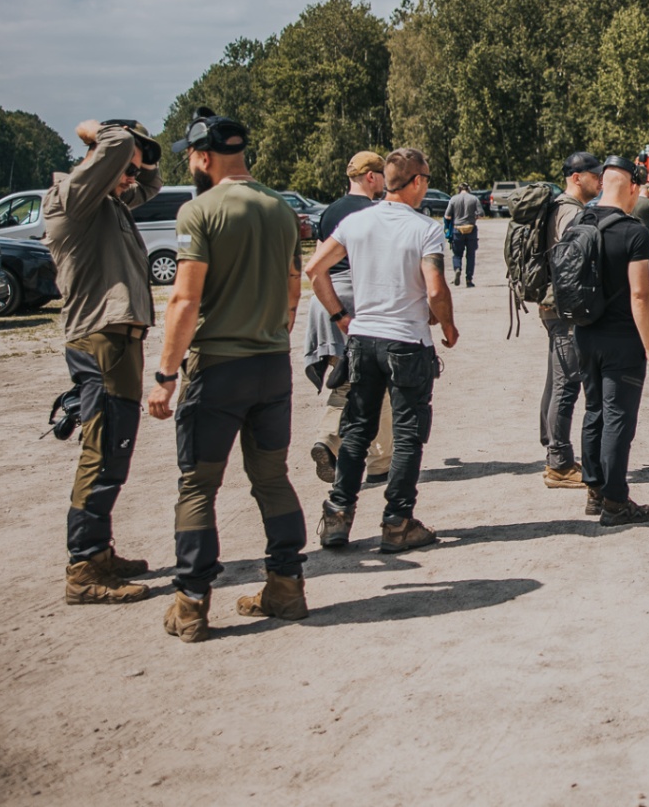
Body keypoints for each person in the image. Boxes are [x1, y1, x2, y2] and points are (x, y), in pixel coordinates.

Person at [144, 110, 307, 642]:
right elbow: (291, 288)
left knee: (198, 485)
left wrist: (166, 374)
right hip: (270, 367)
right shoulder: (280, 208)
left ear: (202, 156)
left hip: (218, 371)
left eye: (189, 155)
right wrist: (272, 330)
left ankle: (191, 603)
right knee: (272, 478)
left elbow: (185, 300)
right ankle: (286, 586)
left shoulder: (199, 210)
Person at [309, 147, 458, 552]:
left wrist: (341, 315)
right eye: (425, 177)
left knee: (357, 428)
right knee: (409, 434)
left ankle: (337, 516)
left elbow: (314, 269)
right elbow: (435, 288)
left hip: (363, 340)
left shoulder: (357, 222)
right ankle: (397, 522)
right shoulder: (423, 228)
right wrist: (446, 323)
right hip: (407, 341)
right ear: (416, 182)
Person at [44, 117, 163, 605]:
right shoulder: (77, 196)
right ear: (99, 157)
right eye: (125, 168)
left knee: (115, 448)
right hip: (101, 339)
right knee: (103, 450)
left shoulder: (108, 200)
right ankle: (84, 566)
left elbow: (150, 183)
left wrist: (144, 159)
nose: (131, 178)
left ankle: (98, 550)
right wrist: (98, 131)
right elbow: (111, 147)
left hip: (114, 338)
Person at [569, 158, 649, 526]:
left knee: (593, 409)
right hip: (622, 339)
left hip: (584, 332)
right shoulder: (633, 232)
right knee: (618, 419)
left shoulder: (581, 221)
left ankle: (595, 491)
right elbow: (640, 293)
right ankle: (615, 501)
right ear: (632, 188)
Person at [306, 151, 392, 487]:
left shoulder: (329, 212)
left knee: (352, 378)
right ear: (371, 177)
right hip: (356, 299)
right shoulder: (374, 212)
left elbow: (317, 261)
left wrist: (331, 309)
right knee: (369, 381)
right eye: (382, 174)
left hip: (324, 301)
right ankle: (338, 443)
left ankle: (377, 459)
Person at [540, 152, 602, 490]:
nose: (600, 179)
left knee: (556, 382)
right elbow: (572, 265)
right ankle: (559, 465)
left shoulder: (562, 208)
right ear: (576, 177)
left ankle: (553, 455)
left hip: (554, 308)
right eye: (594, 174)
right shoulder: (570, 213)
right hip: (564, 311)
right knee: (566, 385)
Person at [443, 182, 482, 287]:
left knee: (457, 254)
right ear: (468, 189)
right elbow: (481, 214)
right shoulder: (474, 199)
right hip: (471, 229)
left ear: (459, 189)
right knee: (470, 256)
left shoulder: (453, 199)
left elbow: (447, 216)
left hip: (457, 230)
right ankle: (469, 280)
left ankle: (457, 268)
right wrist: (473, 218)